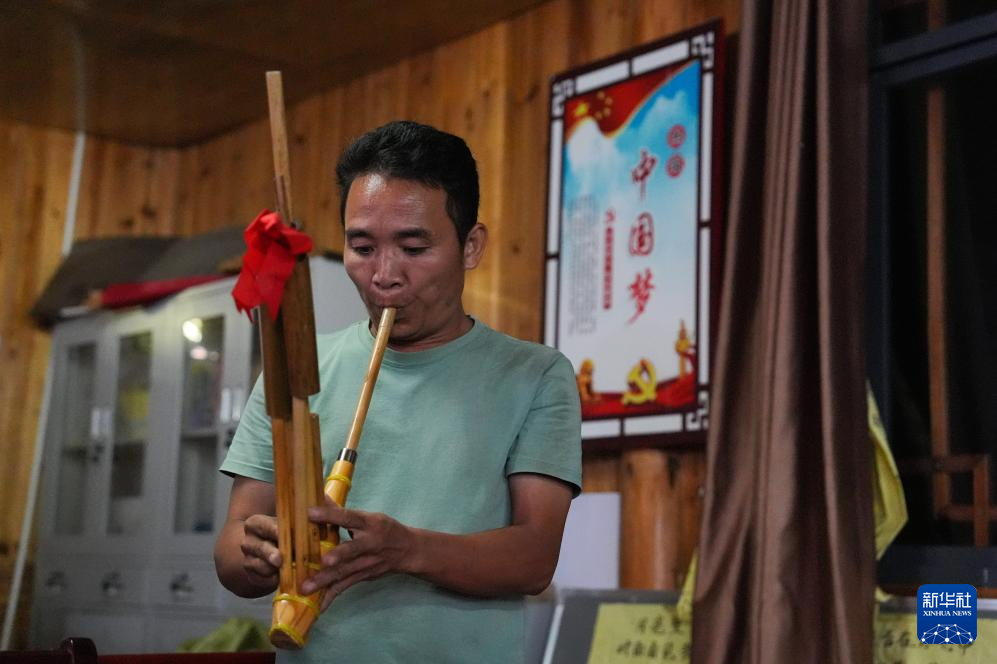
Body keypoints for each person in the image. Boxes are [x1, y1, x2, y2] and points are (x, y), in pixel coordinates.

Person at [214, 120, 582, 663]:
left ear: (471, 245)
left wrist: (407, 550)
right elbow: (231, 549)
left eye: (413, 247)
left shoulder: (535, 374)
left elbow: (534, 559)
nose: (384, 275)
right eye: (362, 247)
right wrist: (258, 553)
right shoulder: (297, 370)